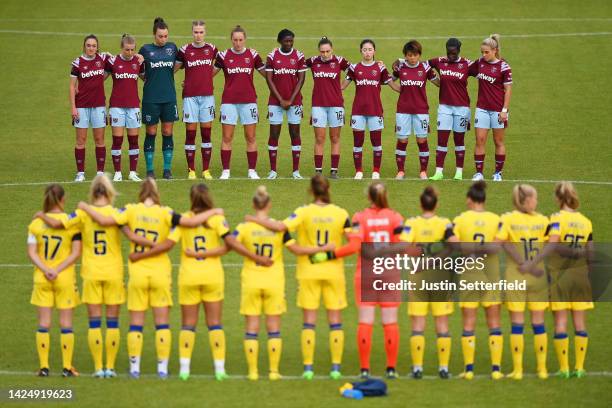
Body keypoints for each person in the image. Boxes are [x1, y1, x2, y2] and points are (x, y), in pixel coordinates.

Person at [76, 178, 218, 378]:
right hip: (160, 272)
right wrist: (215, 211)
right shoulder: (166, 212)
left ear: (141, 192)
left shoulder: (130, 210)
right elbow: (191, 221)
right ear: (156, 193)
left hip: (138, 273)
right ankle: (162, 368)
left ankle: (134, 368)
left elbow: (106, 221)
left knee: (136, 323)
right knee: (162, 323)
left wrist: (84, 206)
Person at [129, 183, 271, 381]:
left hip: (189, 276)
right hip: (212, 276)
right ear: (209, 198)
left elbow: (167, 245)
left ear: (191, 199)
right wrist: (253, 256)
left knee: (188, 324)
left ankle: (184, 369)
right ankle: (219, 369)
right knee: (215, 324)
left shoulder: (185, 219)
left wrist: (140, 255)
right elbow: (229, 244)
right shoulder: (217, 219)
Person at [36, 175, 152, 378]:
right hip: (113, 272)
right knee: (113, 322)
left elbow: (59, 223)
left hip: (91, 273)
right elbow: (131, 235)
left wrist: (41, 216)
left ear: (92, 192)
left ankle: (98, 368)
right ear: (109, 192)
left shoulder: (81, 214)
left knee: (95, 322)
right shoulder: (116, 213)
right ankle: (110, 368)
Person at [245, 175, 351, 379]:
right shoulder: (341, 213)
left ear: (311, 191)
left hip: (308, 271)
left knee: (309, 322)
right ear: (328, 189)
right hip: (333, 272)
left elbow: (280, 228)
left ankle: (308, 368)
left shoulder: (302, 212)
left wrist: (253, 219)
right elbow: (353, 241)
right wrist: (330, 251)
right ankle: (336, 368)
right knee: (335, 321)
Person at [234, 186, 331, 380]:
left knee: (252, 327)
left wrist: (253, 255)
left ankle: (253, 372)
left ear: (254, 204)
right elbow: (297, 250)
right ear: (269, 205)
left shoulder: (244, 228)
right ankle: (274, 371)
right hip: (274, 281)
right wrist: (322, 249)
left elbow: (231, 242)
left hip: (251, 280)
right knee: (273, 328)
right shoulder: (278, 228)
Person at [317, 183, 405, 378]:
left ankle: (364, 369)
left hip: (366, 274)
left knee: (365, 322)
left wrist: (331, 255)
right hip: (389, 273)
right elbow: (402, 246)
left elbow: (354, 246)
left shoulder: (359, 217)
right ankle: (391, 369)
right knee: (390, 322)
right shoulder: (395, 217)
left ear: (368, 197)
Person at [526, 182, 593, 378]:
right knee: (580, 324)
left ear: (558, 198)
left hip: (560, 277)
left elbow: (553, 245)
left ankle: (564, 368)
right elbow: (591, 253)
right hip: (580, 277)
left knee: (561, 322)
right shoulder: (586, 221)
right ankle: (579, 368)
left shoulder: (555, 220)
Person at [495, 184, 550, 380]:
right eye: (534, 198)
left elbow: (502, 242)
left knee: (517, 323)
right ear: (525, 201)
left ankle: (517, 370)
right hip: (538, 276)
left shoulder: (507, 219)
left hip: (515, 275)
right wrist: (533, 265)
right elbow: (552, 245)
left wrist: (522, 263)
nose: (536, 201)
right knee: (539, 322)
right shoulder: (544, 221)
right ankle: (542, 369)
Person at [399, 186, 455, 379]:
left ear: (420, 204)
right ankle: (444, 368)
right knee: (442, 323)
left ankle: (417, 368)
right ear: (436, 204)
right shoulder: (444, 223)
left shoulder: (412, 223)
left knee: (418, 324)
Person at [451, 181, 504, 380]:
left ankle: (469, 369)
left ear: (469, 199)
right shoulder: (496, 219)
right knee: (494, 322)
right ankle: (497, 369)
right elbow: (497, 247)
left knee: (469, 323)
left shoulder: (460, 219)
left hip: (469, 276)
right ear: (484, 199)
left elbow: (454, 245)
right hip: (490, 276)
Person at [28, 184, 82, 377]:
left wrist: (46, 269)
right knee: (66, 324)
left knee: (44, 323)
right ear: (63, 199)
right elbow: (76, 252)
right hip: (64, 277)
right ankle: (67, 368)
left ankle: (44, 367)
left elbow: (32, 253)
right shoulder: (72, 223)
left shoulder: (35, 224)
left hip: (42, 278)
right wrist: (57, 269)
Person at [215, 25, 266, 180]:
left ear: (245, 39)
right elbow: (208, 73)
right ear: (231, 40)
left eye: (240, 40)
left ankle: (252, 170)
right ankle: (226, 171)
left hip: (249, 101)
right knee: (227, 137)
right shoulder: (223, 56)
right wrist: (192, 81)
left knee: (250, 137)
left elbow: (267, 73)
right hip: (229, 102)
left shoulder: (253, 55)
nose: (238, 43)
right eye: (235, 40)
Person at [342, 39, 393, 180]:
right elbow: (342, 86)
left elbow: (391, 83)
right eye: (365, 49)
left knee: (376, 143)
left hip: (375, 110)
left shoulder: (381, 68)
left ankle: (376, 171)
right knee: (358, 143)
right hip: (358, 110)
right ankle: (358, 171)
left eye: (370, 49)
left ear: (374, 51)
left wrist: (408, 85)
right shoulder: (354, 68)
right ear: (361, 51)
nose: (367, 52)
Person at [175, 20, 219, 180]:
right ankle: (191, 170)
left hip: (207, 97)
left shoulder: (212, 49)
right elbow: (173, 68)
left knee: (206, 133)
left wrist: (206, 78)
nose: (198, 35)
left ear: (205, 33)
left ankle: (206, 170)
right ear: (192, 32)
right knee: (190, 133)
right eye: (196, 32)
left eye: (201, 32)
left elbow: (219, 66)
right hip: (190, 98)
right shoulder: (184, 50)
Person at [391, 40, 439, 180]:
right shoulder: (400, 67)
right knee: (402, 140)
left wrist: (449, 81)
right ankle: (400, 171)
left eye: (415, 55)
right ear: (405, 55)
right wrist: (400, 89)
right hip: (403, 110)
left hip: (421, 110)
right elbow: (388, 80)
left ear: (419, 55)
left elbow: (437, 83)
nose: (412, 58)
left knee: (422, 140)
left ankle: (423, 171)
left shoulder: (425, 68)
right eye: (409, 55)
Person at [428, 38, 474, 181]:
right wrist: (399, 61)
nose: (451, 56)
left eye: (454, 53)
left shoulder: (467, 64)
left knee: (459, 139)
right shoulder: (440, 61)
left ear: (459, 50)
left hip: (462, 108)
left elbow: (485, 67)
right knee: (442, 139)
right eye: (449, 53)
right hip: (445, 107)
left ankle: (458, 172)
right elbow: (420, 64)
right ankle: (438, 172)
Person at [139, 17, 179, 179]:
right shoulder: (145, 50)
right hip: (151, 98)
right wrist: (149, 79)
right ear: (154, 35)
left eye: (165, 36)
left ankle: (167, 169)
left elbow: (178, 66)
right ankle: (149, 170)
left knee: (167, 131)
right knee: (151, 132)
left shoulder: (172, 48)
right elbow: (139, 70)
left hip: (169, 97)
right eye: (160, 36)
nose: (163, 39)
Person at [265, 29, 307, 180]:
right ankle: (273, 171)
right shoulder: (272, 56)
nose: (289, 43)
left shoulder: (299, 56)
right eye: (286, 41)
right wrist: (281, 99)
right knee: (274, 134)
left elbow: (301, 79)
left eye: (291, 41)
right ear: (280, 41)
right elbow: (269, 80)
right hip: (275, 102)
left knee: (295, 133)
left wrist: (290, 99)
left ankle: (296, 171)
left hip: (294, 102)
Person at [469, 34, 513, 181]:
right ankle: (479, 173)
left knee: (498, 141)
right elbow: (464, 69)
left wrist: (504, 110)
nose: (484, 54)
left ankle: (497, 173)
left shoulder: (504, 67)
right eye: (482, 52)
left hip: (498, 111)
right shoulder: (480, 63)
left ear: (494, 50)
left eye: (486, 52)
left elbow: (508, 90)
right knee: (480, 140)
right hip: (482, 109)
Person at [306, 37, 350, 178]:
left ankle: (333, 171)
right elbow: (294, 64)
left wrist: (343, 85)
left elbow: (356, 69)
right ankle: (318, 171)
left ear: (332, 50)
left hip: (336, 105)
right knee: (319, 138)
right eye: (322, 52)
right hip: (318, 105)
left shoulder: (340, 61)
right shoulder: (313, 61)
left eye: (327, 51)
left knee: (335, 137)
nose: (325, 54)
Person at [70, 34, 110, 182]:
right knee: (81, 140)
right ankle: (80, 173)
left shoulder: (103, 59)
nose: (91, 48)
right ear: (84, 47)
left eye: (94, 46)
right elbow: (71, 86)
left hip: (99, 105)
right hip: (81, 106)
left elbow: (116, 63)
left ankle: (100, 172)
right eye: (88, 45)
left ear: (97, 47)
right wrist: (73, 107)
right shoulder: (77, 63)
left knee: (99, 139)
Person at [106, 34, 144, 182]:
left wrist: (145, 60)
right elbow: (100, 78)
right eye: (127, 50)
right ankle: (118, 172)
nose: (130, 53)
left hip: (134, 106)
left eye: (132, 50)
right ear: (121, 48)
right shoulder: (113, 61)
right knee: (117, 140)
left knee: (133, 140)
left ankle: (132, 172)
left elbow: (146, 78)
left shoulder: (138, 62)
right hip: (116, 106)